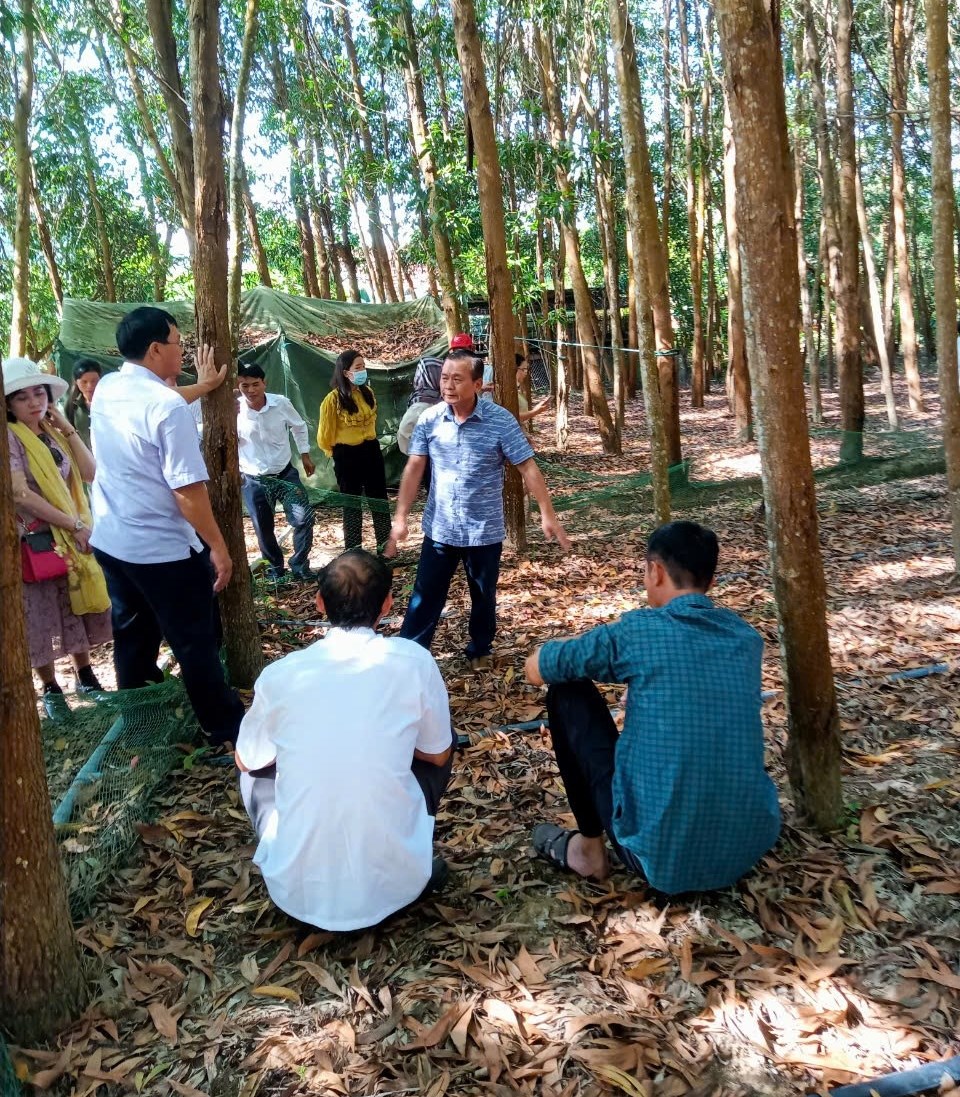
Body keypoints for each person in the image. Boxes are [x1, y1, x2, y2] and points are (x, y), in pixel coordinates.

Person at [524, 520, 781, 895]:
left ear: (656, 571)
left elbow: (538, 668)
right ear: (710, 582)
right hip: (746, 848)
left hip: (662, 859)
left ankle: (589, 851)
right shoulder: (745, 638)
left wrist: (558, 646)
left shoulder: (639, 631)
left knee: (566, 693)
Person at [235, 549, 455, 932]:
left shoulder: (280, 675)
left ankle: (297, 851)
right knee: (441, 743)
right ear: (387, 604)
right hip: (398, 888)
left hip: (295, 894)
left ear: (319, 603)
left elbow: (247, 761)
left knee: (253, 767)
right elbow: (436, 756)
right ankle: (402, 850)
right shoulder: (414, 661)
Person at [89, 306, 243, 746]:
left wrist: (208, 385)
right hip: (161, 549)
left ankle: (141, 721)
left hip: (114, 541)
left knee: (132, 635)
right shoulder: (164, 405)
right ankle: (224, 726)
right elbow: (186, 491)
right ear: (156, 349)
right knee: (195, 640)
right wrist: (218, 545)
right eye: (178, 344)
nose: (183, 351)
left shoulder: (108, 388)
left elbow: (160, 408)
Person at [387, 349, 571, 671]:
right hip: (440, 528)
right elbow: (415, 468)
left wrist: (548, 513)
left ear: (476, 383)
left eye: (457, 379)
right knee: (425, 595)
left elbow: (527, 467)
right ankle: (410, 656)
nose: (448, 385)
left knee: (483, 596)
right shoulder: (429, 419)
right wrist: (400, 518)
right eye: (444, 377)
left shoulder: (500, 420)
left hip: (483, 530)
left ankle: (480, 647)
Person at [4, 356, 111, 720]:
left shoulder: (51, 434)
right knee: (41, 614)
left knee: (73, 603)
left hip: (71, 535)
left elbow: (89, 472)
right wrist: (72, 524)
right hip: (36, 540)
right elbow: (20, 493)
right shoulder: (10, 438)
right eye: (23, 397)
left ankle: (86, 678)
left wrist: (67, 428)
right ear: (8, 404)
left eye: (40, 394)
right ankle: (50, 689)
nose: (34, 403)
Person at [236, 364, 316, 581]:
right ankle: (275, 570)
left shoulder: (280, 403)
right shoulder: (233, 409)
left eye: (255, 384)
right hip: (254, 478)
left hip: (284, 473)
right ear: (238, 385)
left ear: (264, 383)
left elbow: (298, 426)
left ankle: (299, 565)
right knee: (263, 527)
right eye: (245, 385)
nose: (251, 390)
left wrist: (305, 454)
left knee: (303, 518)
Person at [317, 349, 393, 554]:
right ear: (345, 372)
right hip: (346, 455)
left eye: (363, 367)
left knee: (379, 500)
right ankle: (353, 551)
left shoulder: (367, 393)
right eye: (358, 368)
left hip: (371, 451)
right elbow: (325, 436)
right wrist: (336, 455)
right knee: (351, 504)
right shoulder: (332, 400)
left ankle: (385, 547)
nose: (362, 371)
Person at [64, 358, 103, 447]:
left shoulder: (110, 403)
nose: (90, 386)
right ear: (76, 382)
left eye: (94, 381)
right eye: (84, 382)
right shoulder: (71, 406)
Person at [514, 354, 551, 424]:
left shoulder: (516, 389)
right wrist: (536, 411)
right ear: (515, 368)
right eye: (523, 369)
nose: (526, 372)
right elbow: (514, 417)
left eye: (527, 369)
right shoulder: (509, 392)